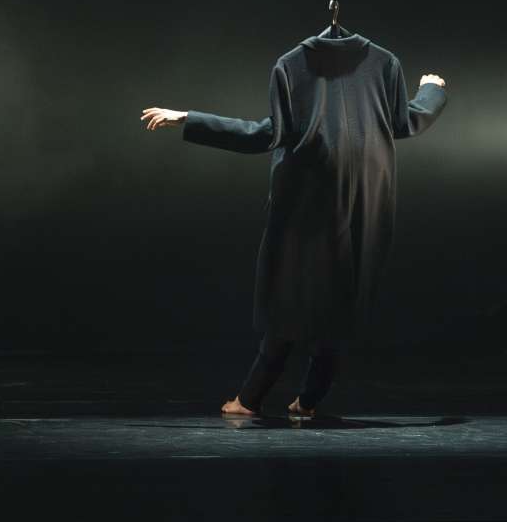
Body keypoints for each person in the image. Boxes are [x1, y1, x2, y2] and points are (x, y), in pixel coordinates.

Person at [141, 31, 446, 420]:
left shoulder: (292, 65)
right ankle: (306, 401)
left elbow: (268, 133)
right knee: (340, 303)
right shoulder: (384, 62)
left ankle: (250, 400)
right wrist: (431, 92)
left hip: (307, 202)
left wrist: (188, 118)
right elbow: (404, 122)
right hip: (365, 198)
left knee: (290, 299)